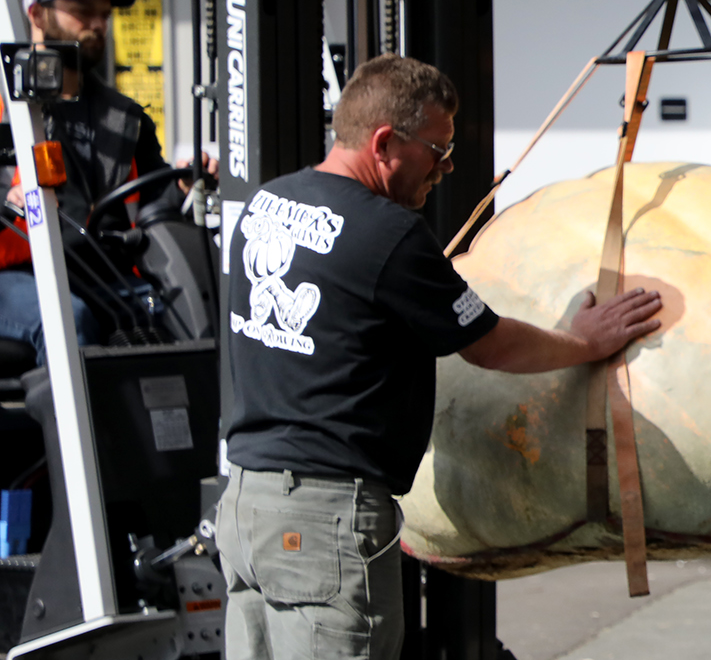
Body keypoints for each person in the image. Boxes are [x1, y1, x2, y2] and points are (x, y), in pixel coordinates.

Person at [215, 54, 663, 660]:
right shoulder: (385, 234)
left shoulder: (266, 206)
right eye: (436, 150)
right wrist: (585, 341)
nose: (447, 167)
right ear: (383, 142)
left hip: (246, 507)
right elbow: (491, 344)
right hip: (324, 522)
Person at [0, 0, 178, 359]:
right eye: (82, 12)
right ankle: (77, 425)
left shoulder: (125, 118)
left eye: (104, 15)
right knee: (70, 320)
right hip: (12, 273)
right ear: (37, 14)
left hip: (97, 270)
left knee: (182, 307)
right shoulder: (3, 105)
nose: (98, 25)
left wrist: (185, 185)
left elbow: (160, 198)